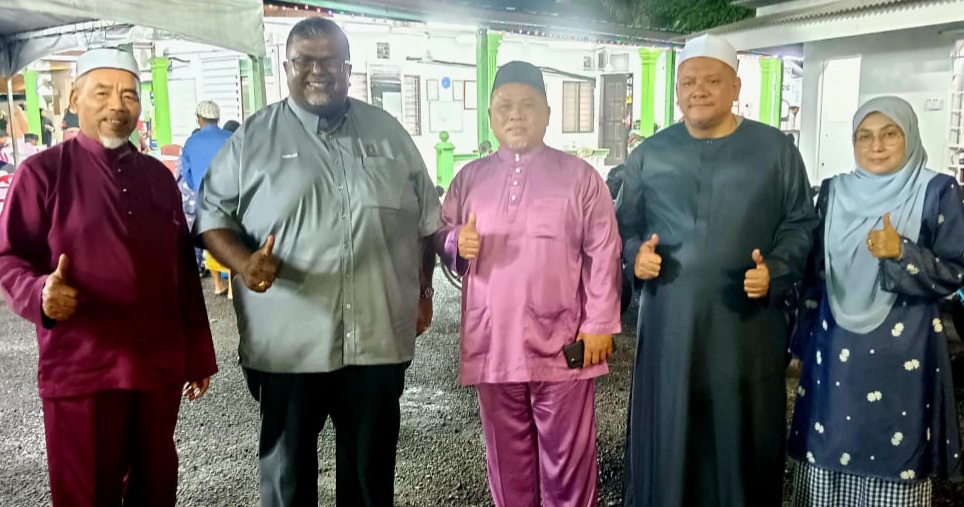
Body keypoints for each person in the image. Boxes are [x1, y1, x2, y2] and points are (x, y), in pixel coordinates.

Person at [195, 18, 441, 507]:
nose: (317, 70)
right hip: (288, 344)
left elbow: (425, 223)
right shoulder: (254, 138)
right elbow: (210, 217)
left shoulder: (389, 135)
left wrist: (424, 291)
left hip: (375, 341)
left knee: (370, 480)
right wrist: (244, 263)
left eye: (329, 60)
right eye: (304, 60)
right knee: (287, 482)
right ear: (286, 67)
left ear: (348, 67)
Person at [0, 47, 217, 507]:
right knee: (86, 494)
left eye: (128, 95)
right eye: (102, 93)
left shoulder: (158, 178)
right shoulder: (42, 174)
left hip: (156, 366)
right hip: (82, 369)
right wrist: (39, 293)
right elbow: (10, 257)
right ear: (74, 98)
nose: (117, 105)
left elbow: (182, 271)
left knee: (155, 487)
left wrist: (198, 354)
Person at [616, 34, 818, 506]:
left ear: (736, 87)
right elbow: (624, 226)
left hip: (746, 326)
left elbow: (800, 223)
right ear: (677, 91)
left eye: (711, 80)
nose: (699, 91)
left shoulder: (776, 151)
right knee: (669, 434)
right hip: (669, 326)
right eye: (688, 82)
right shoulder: (649, 154)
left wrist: (776, 270)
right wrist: (635, 256)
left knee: (740, 438)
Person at [436, 61, 622, 507]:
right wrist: (455, 241)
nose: (516, 115)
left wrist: (599, 324)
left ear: (547, 114)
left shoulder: (580, 178)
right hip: (494, 341)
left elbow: (604, 250)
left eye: (527, 105)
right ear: (489, 116)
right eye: (505, 106)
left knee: (568, 463)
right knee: (507, 460)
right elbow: (440, 236)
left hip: (564, 341)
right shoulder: (468, 179)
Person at [788, 96, 963, 505]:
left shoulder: (937, 191)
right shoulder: (834, 191)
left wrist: (903, 252)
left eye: (889, 134)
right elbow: (814, 275)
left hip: (904, 355)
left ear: (910, 137)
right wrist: (799, 341)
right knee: (827, 449)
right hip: (834, 350)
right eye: (864, 136)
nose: (876, 145)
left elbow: (956, 271)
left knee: (895, 453)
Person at [180, 99, 233, 288]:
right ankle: (232, 284)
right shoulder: (231, 137)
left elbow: (187, 175)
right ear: (218, 118)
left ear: (199, 118)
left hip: (203, 199)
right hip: (231, 197)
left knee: (207, 237)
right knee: (231, 237)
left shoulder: (191, 142)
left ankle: (216, 283)